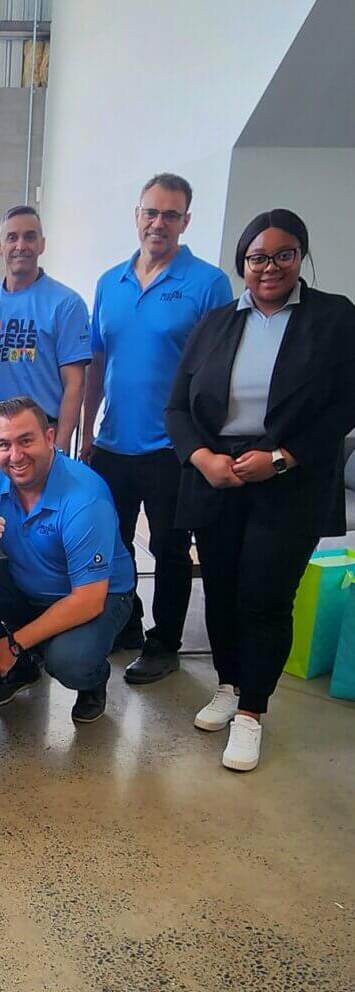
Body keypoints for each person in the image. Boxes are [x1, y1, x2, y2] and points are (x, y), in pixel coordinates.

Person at [166, 209, 355, 771]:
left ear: (301, 257)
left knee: (265, 595)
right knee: (220, 589)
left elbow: (345, 403)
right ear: (242, 264)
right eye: (257, 257)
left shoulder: (333, 318)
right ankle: (228, 684)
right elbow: (178, 407)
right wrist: (204, 460)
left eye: (283, 255)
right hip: (217, 477)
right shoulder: (217, 323)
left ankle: (252, 712)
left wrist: (281, 457)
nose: (269, 267)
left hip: (289, 478)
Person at [80, 173, 233, 685]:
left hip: (174, 447)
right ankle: (128, 625)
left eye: (171, 215)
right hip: (113, 442)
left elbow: (218, 373)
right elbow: (98, 364)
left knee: (169, 547)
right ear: (136, 216)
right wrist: (86, 433)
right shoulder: (110, 283)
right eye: (151, 212)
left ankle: (164, 640)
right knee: (113, 541)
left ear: (186, 221)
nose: (158, 223)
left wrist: (204, 446)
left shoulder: (208, 284)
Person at [0, 397, 135, 724]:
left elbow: (87, 601)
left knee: (69, 661)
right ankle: (22, 670)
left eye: (26, 440)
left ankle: (93, 679)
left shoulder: (84, 498)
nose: (15, 456)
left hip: (99, 595)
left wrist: (12, 644)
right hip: (28, 581)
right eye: (4, 445)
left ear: (50, 438)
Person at [0, 205, 90, 466]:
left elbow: (75, 384)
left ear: (42, 244)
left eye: (29, 237)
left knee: (39, 507)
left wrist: (60, 446)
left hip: (41, 437)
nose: (21, 245)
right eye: (12, 237)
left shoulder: (66, 304)